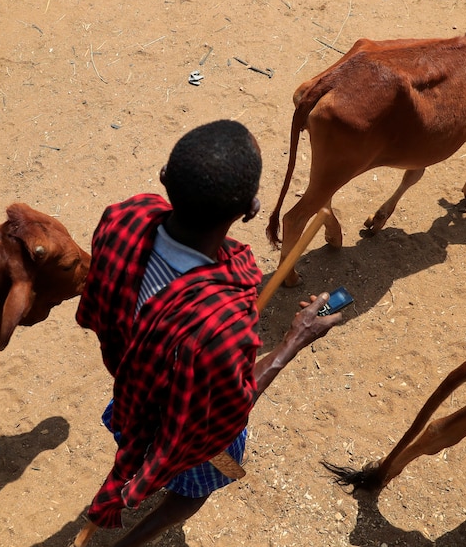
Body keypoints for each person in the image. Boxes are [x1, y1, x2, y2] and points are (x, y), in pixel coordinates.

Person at [75, 119, 342, 546]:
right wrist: (296, 337)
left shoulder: (121, 221)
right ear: (251, 210)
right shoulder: (221, 322)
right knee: (192, 492)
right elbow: (229, 408)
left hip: (131, 391)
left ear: (164, 178)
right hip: (174, 420)